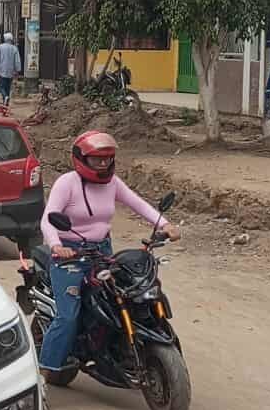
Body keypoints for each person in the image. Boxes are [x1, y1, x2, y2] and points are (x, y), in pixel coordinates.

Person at [33, 131, 179, 377]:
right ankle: (45, 373)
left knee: (126, 297)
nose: (103, 164)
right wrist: (57, 245)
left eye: (107, 159)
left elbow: (138, 204)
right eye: (96, 159)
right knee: (68, 316)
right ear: (80, 159)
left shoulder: (112, 183)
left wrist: (165, 224)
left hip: (102, 251)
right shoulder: (67, 183)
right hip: (70, 256)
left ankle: (123, 352)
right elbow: (48, 220)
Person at [0, 32, 21, 105]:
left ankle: (5, 97)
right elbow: (17, 61)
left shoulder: (0, 47)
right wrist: (17, 70)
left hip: (1, 70)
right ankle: (6, 101)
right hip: (11, 71)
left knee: (1, 86)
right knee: (8, 87)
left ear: (4, 39)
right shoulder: (14, 48)